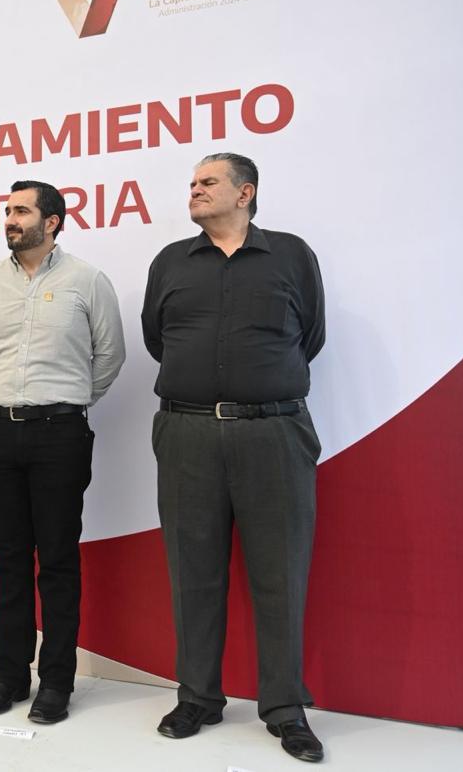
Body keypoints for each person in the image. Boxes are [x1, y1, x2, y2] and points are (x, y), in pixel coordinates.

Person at [142, 153, 326, 763]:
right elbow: (157, 339)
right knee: (192, 572)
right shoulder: (170, 262)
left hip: (274, 433)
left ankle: (285, 709)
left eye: (208, 182)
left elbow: (310, 336)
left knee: (281, 573)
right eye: (192, 183)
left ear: (245, 193)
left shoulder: (291, 255)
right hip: (187, 433)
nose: (194, 190)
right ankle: (197, 697)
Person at [0, 180, 125, 725]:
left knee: (57, 560)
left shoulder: (87, 280)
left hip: (60, 434)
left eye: (21, 211)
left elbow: (109, 355)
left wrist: (65, 402)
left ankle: (57, 681)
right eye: (7, 210)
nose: (9, 219)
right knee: (8, 559)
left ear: (51, 221)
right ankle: (8, 676)